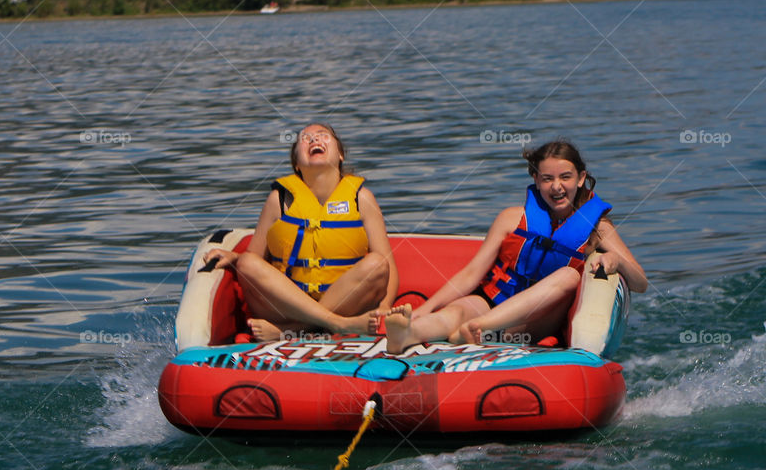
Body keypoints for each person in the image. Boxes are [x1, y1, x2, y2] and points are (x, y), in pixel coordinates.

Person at [383, 139, 648, 354]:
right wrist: (424, 309)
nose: (556, 186)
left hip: (538, 320)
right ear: (536, 179)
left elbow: (640, 282)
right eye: (547, 178)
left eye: (565, 177)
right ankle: (409, 333)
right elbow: (472, 273)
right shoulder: (510, 218)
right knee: (458, 311)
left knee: (568, 276)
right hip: (493, 303)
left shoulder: (597, 228)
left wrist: (614, 258)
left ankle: (479, 329)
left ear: (580, 179)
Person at [205, 123, 398, 341]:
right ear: (297, 164)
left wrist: (384, 307)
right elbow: (255, 260)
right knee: (247, 264)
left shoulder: (362, 199)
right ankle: (336, 324)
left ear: (340, 155)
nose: (315, 140)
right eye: (305, 139)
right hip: (285, 307)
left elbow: (388, 266)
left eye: (323, 136)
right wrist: (236, 258)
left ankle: (297, 330)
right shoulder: (278, 201)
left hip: (346, 302)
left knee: (377, 264)